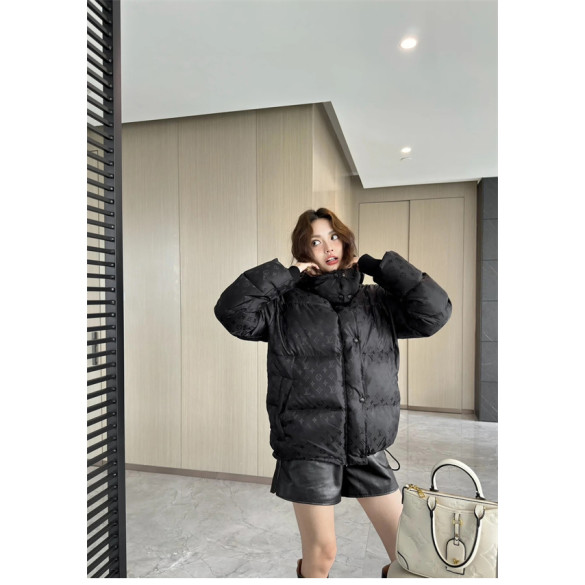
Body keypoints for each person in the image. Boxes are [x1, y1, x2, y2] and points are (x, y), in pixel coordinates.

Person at [214, 208, 452, 578]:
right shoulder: (283, 306)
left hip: (367, 445)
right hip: (309, 445)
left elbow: (435, 313)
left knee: (410, 552)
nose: (328, 247)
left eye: (334, 237)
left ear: (346, 241)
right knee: (323, 553)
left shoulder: (376, 301)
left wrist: (376, 266)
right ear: (304, 250)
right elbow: (232, 312)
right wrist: (287, 275)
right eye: (316, 241)